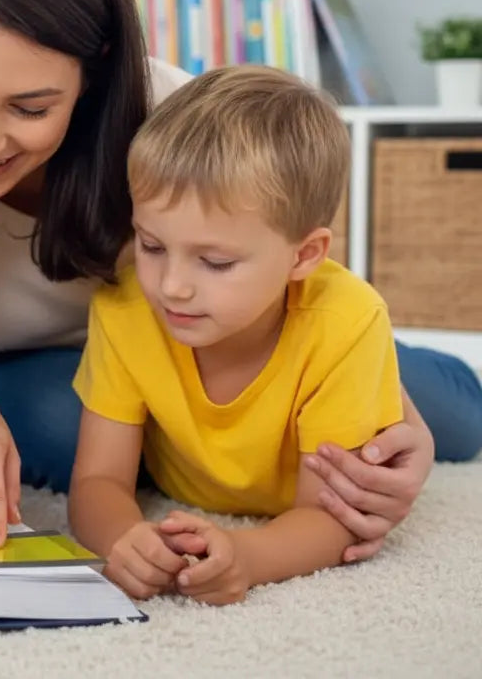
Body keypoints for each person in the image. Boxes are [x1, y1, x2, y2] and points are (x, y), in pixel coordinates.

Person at [0, 0, 474, 557]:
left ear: (93, 75)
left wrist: (398, 419)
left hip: (234, 347)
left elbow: (292, 273)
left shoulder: (167, 111)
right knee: (42, 419)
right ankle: (190, 457)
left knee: (441, 419)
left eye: (31, 107)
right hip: (58, 373)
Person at [69, 66, 402, 604]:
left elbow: (332, 516)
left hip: (341, 342)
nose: (172, 287)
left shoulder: (348, 321)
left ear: (305, 255)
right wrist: (121, 540)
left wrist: (248, 557)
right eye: (151, 246)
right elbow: (96, 482)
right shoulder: (125, 307)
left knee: (457, 419)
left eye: (216, 262)